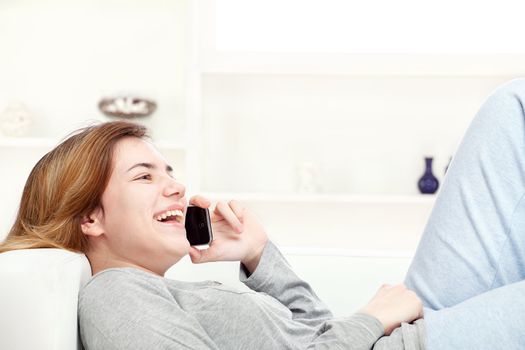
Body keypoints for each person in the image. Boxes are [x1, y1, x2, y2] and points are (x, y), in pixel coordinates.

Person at [1, 78, 524, 349]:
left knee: (512, 106)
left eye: (169, 171)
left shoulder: (166, 292)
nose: (175, 186)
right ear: (90, 218)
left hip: (401, 331)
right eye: (146, 176)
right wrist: (369, 319)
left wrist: (257, 254)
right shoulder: (115, 295)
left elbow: (317, 332)